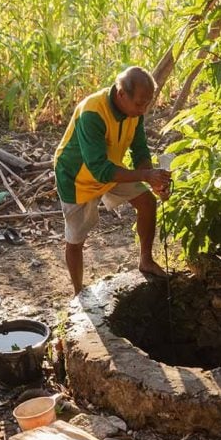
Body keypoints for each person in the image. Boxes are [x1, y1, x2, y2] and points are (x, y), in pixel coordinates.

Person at [54, 66, 172, 293]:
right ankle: (78, 293)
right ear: (121, 94)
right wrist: (146, 176)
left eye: (147, 103)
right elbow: (99, 170)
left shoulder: (134, 113)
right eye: (139, 103)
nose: (143, 109)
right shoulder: (92, 112)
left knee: (147, 202)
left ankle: (145, 260)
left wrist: (153, 181)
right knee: (76, 239)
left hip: (111, 169)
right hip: (76, 177)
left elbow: (139, 151)